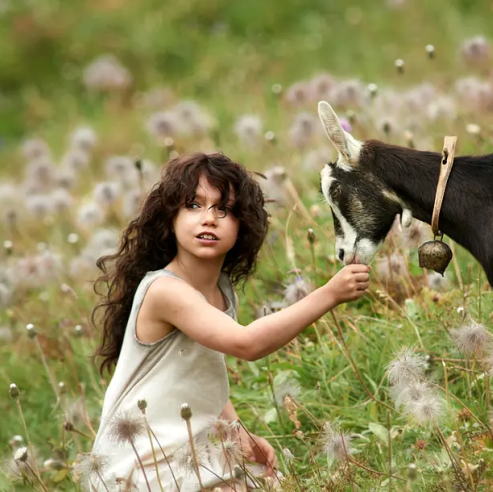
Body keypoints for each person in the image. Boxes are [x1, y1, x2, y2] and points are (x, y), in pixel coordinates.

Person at [85, 152, 370, 491]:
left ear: (242, 226)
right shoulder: (165, 291)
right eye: (193, 205)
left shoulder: (220, 291)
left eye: (224, 209)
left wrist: (237, 431)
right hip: (139, 464)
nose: (209, 219)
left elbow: (203, 373)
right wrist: (329, 294)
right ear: (170, 219)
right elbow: (247, 344)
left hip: (187, 452)